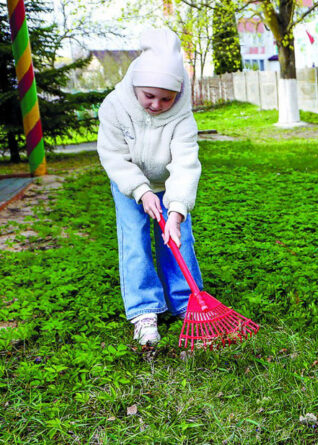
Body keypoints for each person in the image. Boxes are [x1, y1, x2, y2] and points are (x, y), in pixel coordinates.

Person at [97, 29, 203, 345]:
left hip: (168, 184)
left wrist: (176, 211)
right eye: (149, 96)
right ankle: (144, 309)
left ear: (178, 94)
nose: (157, 104)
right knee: (134, 238)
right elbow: (113, 155)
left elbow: (185, 164)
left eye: (166, 98)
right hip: (129, 183)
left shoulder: (183, 119)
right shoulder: (115, 106)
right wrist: (141, 191)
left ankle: (186, 302)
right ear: (135, 86)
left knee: (178, 239)